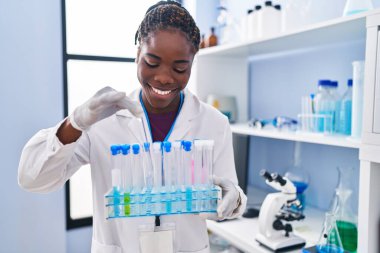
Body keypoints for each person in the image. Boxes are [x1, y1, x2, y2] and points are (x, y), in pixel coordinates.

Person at [18, 1, 247, 253]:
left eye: (179, 67)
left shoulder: (214, 123)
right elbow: (33, 178)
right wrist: (75, 123)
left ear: (192, 63)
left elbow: (229, 195)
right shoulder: (101, 120)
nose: (163, 77)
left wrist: (233, 198)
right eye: (151, 62)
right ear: (137, 54)